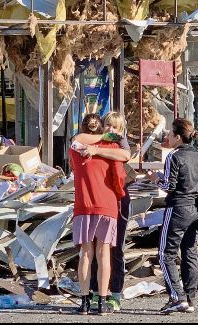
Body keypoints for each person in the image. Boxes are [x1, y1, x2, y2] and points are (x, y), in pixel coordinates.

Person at [70, 113, 126, 316]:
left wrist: (95, 145)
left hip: (83, 205)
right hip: (107, 204)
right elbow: (120, 173)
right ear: (101, 128)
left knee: (85, 254)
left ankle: (85, 303)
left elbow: (76, 139)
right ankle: (102, 302)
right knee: (104, 255)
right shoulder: (111, 148)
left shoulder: (76, 148)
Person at [156, 118, 198, 314]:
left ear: (177, 136)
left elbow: (169, 186)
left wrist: (155, 179)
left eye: (169, 133)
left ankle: (177, 296)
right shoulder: (197, 155)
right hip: (195, 209)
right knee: (190, 253)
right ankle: (190, 298)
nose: (167, 136)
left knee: (165, 253)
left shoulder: (173, 156)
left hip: (176, 208)